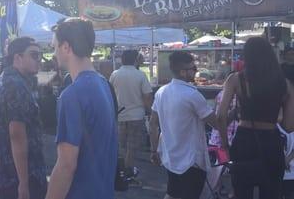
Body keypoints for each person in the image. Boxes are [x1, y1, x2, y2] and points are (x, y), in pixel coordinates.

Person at [46, 18, 117, 199]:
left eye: (54, 47)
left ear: (66, 47)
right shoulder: (103, 84)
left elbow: (66, 166)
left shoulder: (72, 95)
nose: (53, 53)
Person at [218, 37, 294, 199]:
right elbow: (289, 126)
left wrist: (225, 144)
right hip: (271, 142)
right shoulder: (285, 84)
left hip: (244, 140)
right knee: (272, 193)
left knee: (241, 192)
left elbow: (221, 115)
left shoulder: (235, 79)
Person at [149, 51, 218, 199]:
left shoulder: (161, 92)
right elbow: (216, 123)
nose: (196, 72)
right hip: (191, 160)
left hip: (171, 157)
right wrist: (231, 114)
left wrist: (154, 150)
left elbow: (152, 123)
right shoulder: (192, 95)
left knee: (173, 193)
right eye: (193, 68)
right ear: (183, 71)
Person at [0, 37, 47, 199]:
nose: (39, 60)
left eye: (40, 55)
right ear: (17, 57)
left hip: (6, 172)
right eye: (34, 55)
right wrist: (24, 182)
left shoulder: (4, 80)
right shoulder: (15, 85)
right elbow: (17, 135)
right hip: (22, 175)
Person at [110, 49, 153, 178]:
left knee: (121, 145)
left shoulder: (114, 74)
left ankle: (121, 169)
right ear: (135, 59)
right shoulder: (140, 75)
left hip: (119, 115)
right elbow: (147, 96)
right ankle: (128, 170)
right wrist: (150, 112)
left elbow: (110, 94)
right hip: (136, 115)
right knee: (132, 146)